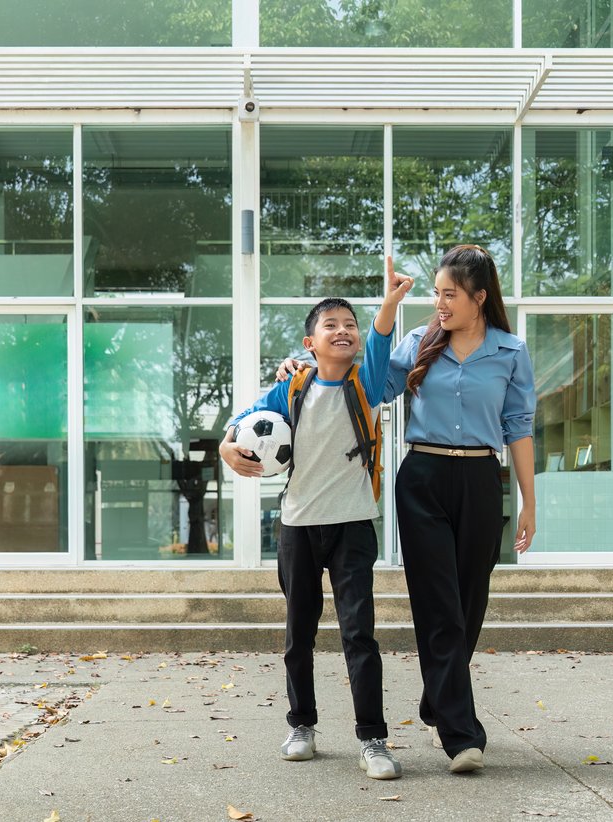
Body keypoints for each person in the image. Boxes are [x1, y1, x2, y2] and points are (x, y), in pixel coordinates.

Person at [280, 245, 537, 774]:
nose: (439, 304)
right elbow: (368, 378)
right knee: (438, 603)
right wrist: (307, 361)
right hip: (421, 478)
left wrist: (530, 501)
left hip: (482, 478)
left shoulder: (511, 351)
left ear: (479, 298)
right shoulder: (420, 341)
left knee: (470, 603)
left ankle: (439, 695)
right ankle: (461, 735)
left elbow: (519, 427)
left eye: (450, 295)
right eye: (438, 293)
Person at [219, 288, 411, 781]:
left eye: (350, 323)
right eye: (331, 325)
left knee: (358, 635)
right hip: (298, 526)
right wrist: (226, 448)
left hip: (351, 525)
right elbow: (241, 423)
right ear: (311, 341)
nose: (343, 330)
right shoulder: (292, 388)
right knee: (297, 634)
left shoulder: (366, 381)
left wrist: (389, 301)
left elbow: (383, 335)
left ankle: (372, 737)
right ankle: (301, 726)